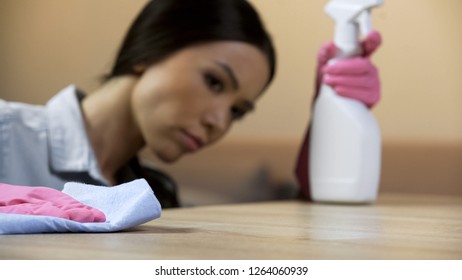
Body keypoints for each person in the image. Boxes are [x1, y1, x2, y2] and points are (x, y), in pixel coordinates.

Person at [0, 0, 381, 208]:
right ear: (150, 48)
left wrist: (329, 108)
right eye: (214, 82)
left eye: (238, 111)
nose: (219, 122)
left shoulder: (152, 194)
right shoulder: (8, 136)